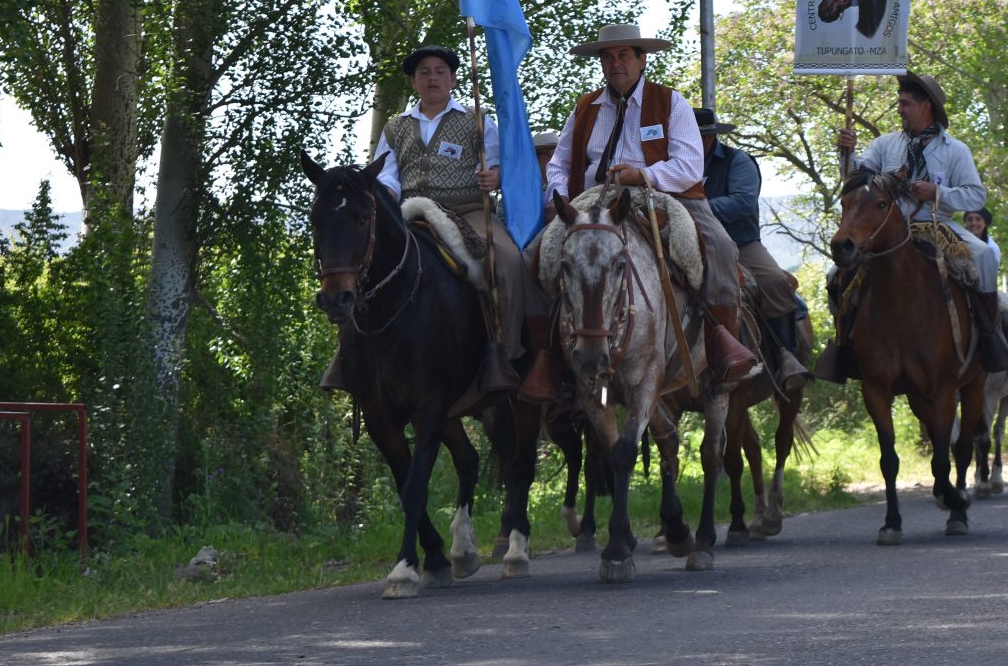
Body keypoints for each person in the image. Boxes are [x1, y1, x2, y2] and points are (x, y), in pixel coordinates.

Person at [518, 24, 755, 404]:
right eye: (607, 57)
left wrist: (643, 174)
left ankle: (721, 347)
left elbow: (689, 166)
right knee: (532, 256)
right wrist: (560, 197)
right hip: (594, 198)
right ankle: (547, 360)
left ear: (642, 59)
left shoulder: (669, 101)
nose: (615, 64)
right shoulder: (585, 107)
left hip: (662, 194)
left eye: (624, 55)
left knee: (722, 248)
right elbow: (560, 164)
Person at [320, 44, 525, 393]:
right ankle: (347, 356)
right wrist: (387, 194)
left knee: (507, 261)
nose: (433, 78)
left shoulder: (477, 120)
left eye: (440, 71)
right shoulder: (395, 127)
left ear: (454, 79)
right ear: (414, 81)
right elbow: (385, 173)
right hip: (410, 212)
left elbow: (501, 162)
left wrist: (495, 175)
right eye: (424, 73)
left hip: (468, 210)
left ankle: (505, 354)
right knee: (363, 265)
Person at [823, 71, 1008, 383]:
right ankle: (844, 346)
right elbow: (856, 180)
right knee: (835, 274)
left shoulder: (955, 150)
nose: (899, 109)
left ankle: (991, 338)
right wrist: (847, 152)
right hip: (886, 231)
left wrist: (938, 192)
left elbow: (976, 194)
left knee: (983, 255)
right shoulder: (885, 145)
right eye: (899, 103)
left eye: (905, 103)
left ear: (926, 106)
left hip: (937, 224)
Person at [695, 107, 811, 391]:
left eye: (700, 137)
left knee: (774, 282)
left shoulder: (739, 161)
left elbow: (743, 202)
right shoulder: (675, 162)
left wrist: (698, 209)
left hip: (740, 244)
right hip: (689, 242)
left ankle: (786, 357)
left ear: (711, 137)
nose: (695, 143)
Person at [962, 207, 1002, 285]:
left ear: (985, 223)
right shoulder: (957, 241)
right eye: (970, 220)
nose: (973, 223)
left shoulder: (991, 248)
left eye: (978, 219)